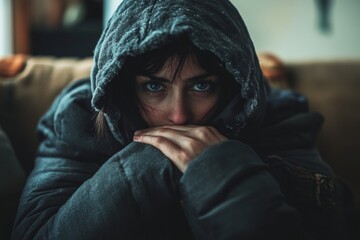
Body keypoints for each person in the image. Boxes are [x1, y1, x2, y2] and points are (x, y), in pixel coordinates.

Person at [12, 0, 353, 239]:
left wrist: (220, 170)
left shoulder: (277, 118)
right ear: (126, 88)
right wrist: (154, 161)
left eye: (201, 86)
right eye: (154, 87)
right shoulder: (78, 118)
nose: (178, 115)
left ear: (232, 84)